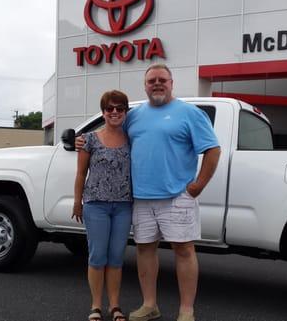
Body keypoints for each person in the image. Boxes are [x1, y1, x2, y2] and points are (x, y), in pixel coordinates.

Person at [77, 64, 221, 321]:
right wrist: (82, 139)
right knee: (145, 250)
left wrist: (198, 185)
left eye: (162, 80)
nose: (157, 84)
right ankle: (149, 304)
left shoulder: (190, 113)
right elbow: (110, 132)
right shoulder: (134, 115)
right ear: (145, 85)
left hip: (177, 195)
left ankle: (186, 311)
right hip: (140, 198)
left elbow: (213, 149)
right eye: (151, 80)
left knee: (184, 250)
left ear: (171, 83)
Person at [72, 90, 133, 321]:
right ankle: (96, 306)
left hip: (124, 206)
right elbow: (80, 174)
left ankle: (115, 306)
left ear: (125, 112)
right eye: (110, 108)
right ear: (103, 112)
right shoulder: (88, 139)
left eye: (119, 108)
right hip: (95, 205)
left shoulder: (132, 138)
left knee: (116, 257)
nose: (115, 112)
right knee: (97, 256)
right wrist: (78, 202)